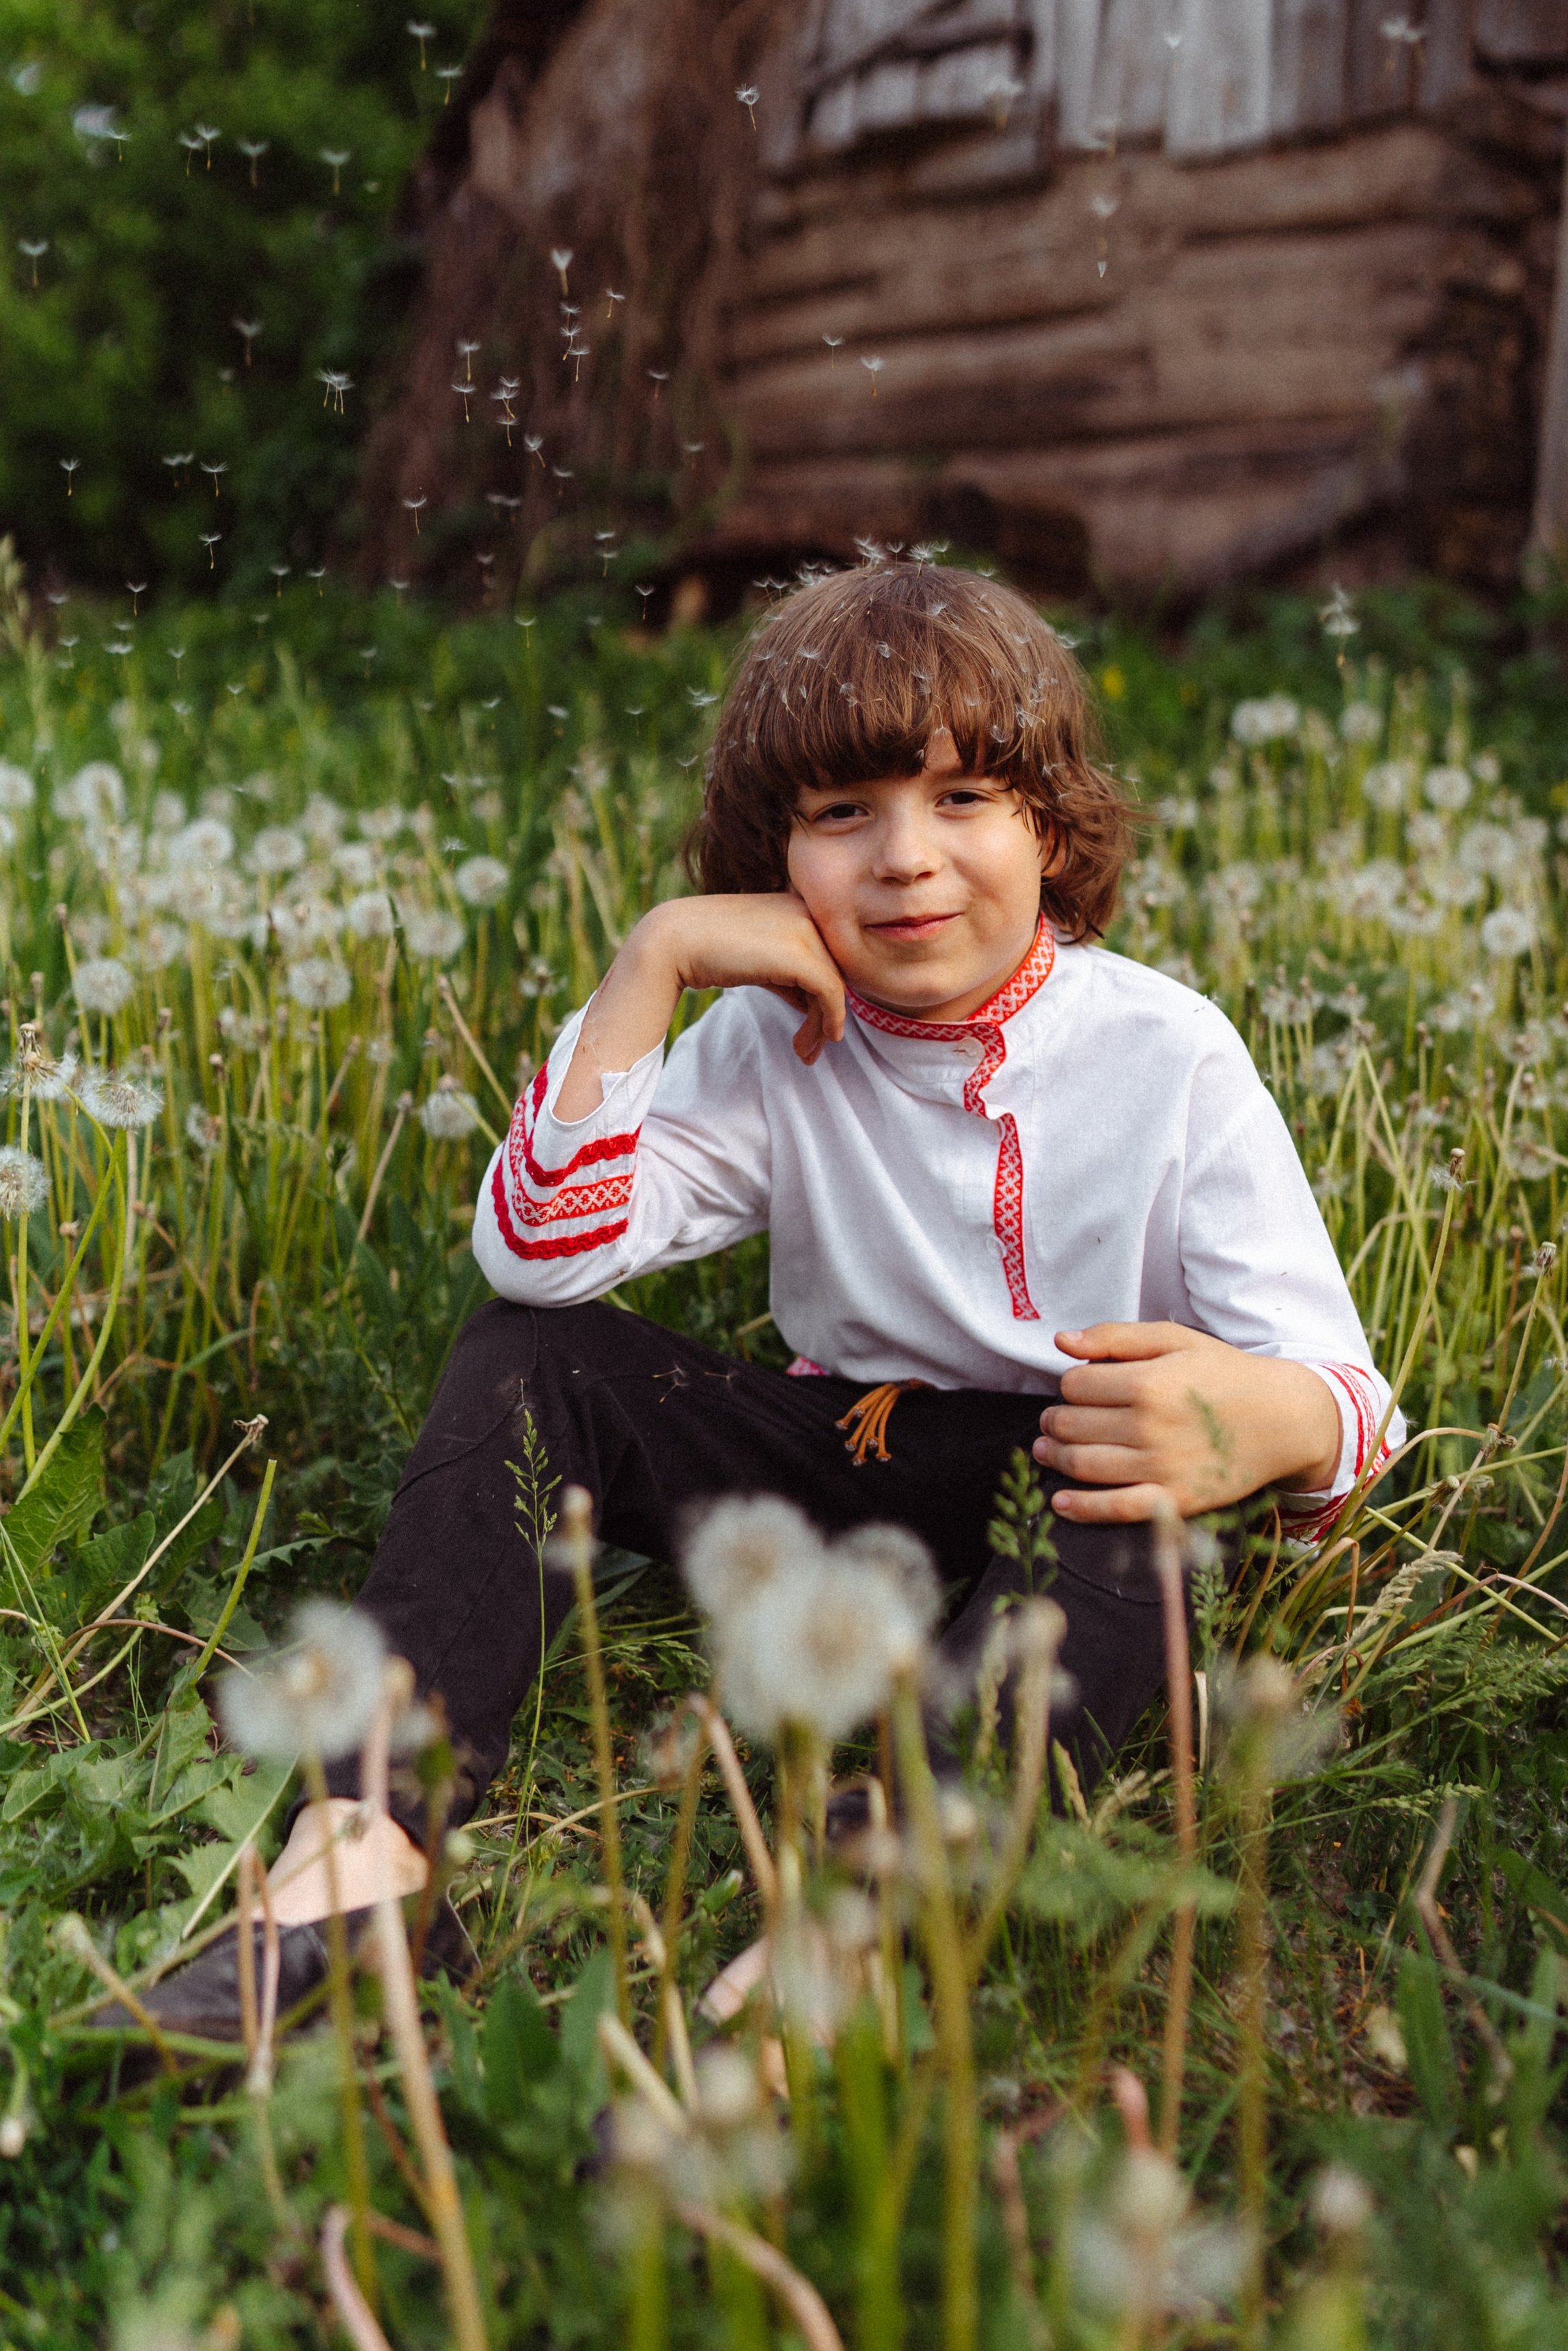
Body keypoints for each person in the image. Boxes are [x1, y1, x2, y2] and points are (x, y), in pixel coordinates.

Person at [131, 560, 1399, 2031]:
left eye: (962, 799)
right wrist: (656, 960)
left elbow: (1348, 1400)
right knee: (534, 1350)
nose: (904, 861)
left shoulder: (1169, 1057)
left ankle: (849, 1939)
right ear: (771, 858)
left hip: (1063, 1499)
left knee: (1130, 1514)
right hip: (832, 1477)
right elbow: (543, 1250)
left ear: (1049, 826)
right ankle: (357, 1864)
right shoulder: (764, 1039)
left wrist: (1261, 1417)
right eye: (840, 813)